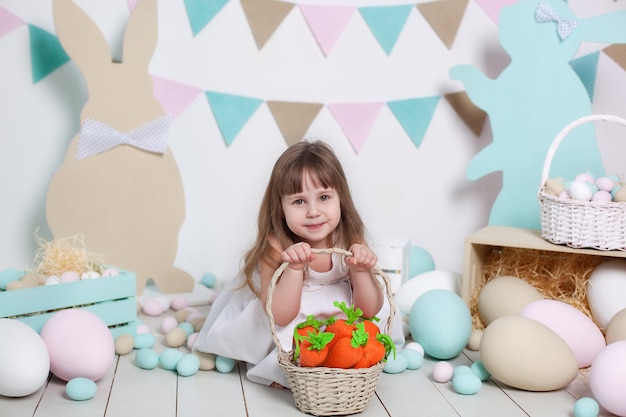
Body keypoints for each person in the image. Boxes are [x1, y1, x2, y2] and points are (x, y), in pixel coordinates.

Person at [192, 140, 404, 388]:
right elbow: (280, 316)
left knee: (362, 337)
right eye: (299, 201)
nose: (313, 211)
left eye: (324, 197)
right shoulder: (276, 248)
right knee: (285, 342)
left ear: (341, 200)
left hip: (341, 322)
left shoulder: (348, 240)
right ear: (280, 208)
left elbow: (369, 310)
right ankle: (289, 371)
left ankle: (340, 367)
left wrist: (360, 271)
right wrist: (294, 269)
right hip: (293, 318)